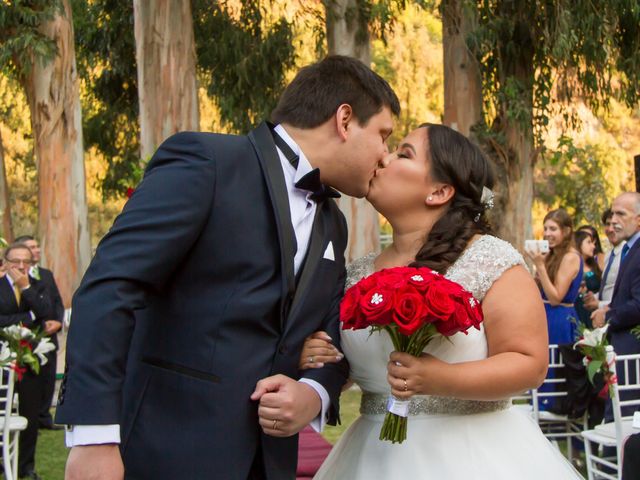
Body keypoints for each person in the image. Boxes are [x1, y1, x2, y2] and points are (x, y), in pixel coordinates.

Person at [55, 55, 400, 480]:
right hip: (162, 453)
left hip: (268, 462)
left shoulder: (334, 224)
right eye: (383, 135)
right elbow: (111, 286)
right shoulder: (209, 162)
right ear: (344, 120)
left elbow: (331, 335)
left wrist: (313, 392)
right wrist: (94, 438)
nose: (385, 156)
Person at [301, 124, 581, 479]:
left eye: (403, 153)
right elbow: (353, 368)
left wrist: (442, 378)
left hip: (473, 457)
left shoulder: (490, 260)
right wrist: (320, 358)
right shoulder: (356, 272)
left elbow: (529, 363)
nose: (383, 158)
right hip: (372, 457)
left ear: (439, 191)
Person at [0, 243, 56, 480]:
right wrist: (30, 317)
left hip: (31, 359)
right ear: (5, 263)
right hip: (3, 359)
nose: (21, 266)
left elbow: (47, 312)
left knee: (30, 416)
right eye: (16, 262)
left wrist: (26, 288)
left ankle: (26, 467)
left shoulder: (38, 285)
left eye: (27, 262)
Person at [591, 192, 640, 416]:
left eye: (621, 214)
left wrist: (607, 316)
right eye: (612, 213)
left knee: (627, 419)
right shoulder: (628, 250)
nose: (613, 220)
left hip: (632, 352)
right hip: (620, 348)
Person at [15, 234, 64, 430]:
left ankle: (44, 417)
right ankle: (32, 419)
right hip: (28, 338)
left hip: (49, 336)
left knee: (49, 377)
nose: (35, 250)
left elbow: (56, 302)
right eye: (31, 247)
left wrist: (58, 322)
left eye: (36, 247)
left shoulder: (45, 274)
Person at [527, 209, 583, 345]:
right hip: (545, 315)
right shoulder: (551, 255)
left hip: (559, 319)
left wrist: (540, 266)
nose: (547, 234)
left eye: (553, 229)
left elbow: (555, 298)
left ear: (566, 231)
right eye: (545, 229)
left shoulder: (570, 257)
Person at [583, 209, 626, 313]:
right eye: (607, 224)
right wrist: (594, 297)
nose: (611, 229)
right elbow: (608, 288)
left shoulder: (627, 254)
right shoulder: (609, 255)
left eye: (615, 224)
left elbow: (625, 295)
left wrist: (599, 304)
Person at [574, 229, 601, 328]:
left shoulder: (594, 266)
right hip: (578, 313)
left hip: (594, 313)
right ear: (578, 243)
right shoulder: (571, 267)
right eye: (589, 242)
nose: (593, 246)